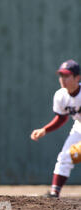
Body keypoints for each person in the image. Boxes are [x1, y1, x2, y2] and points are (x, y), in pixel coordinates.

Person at [30, 59, 81, 198]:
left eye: (67, 76)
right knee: (65, 156)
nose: (63, 79)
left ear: (77, 77)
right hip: (79, 126)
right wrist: (45, 129)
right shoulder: (60, 95)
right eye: (61, 76)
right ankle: (54, 193)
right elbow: (62, 118)